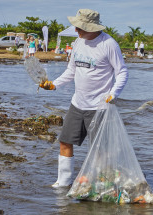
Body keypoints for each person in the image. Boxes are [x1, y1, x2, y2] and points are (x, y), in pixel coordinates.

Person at [39, 9, 128, 188]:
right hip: (77, 104)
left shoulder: (109, 44)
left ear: (93, 27)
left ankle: (101, 184)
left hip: (99, 106)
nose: (76, 31)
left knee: (100, 150)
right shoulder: (79, 41)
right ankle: (63, 182)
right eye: (76, 27)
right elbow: (71, 70)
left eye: (80, 27)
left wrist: (114, 93)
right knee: (65, 141)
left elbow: (122, 72)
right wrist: (54, 84)